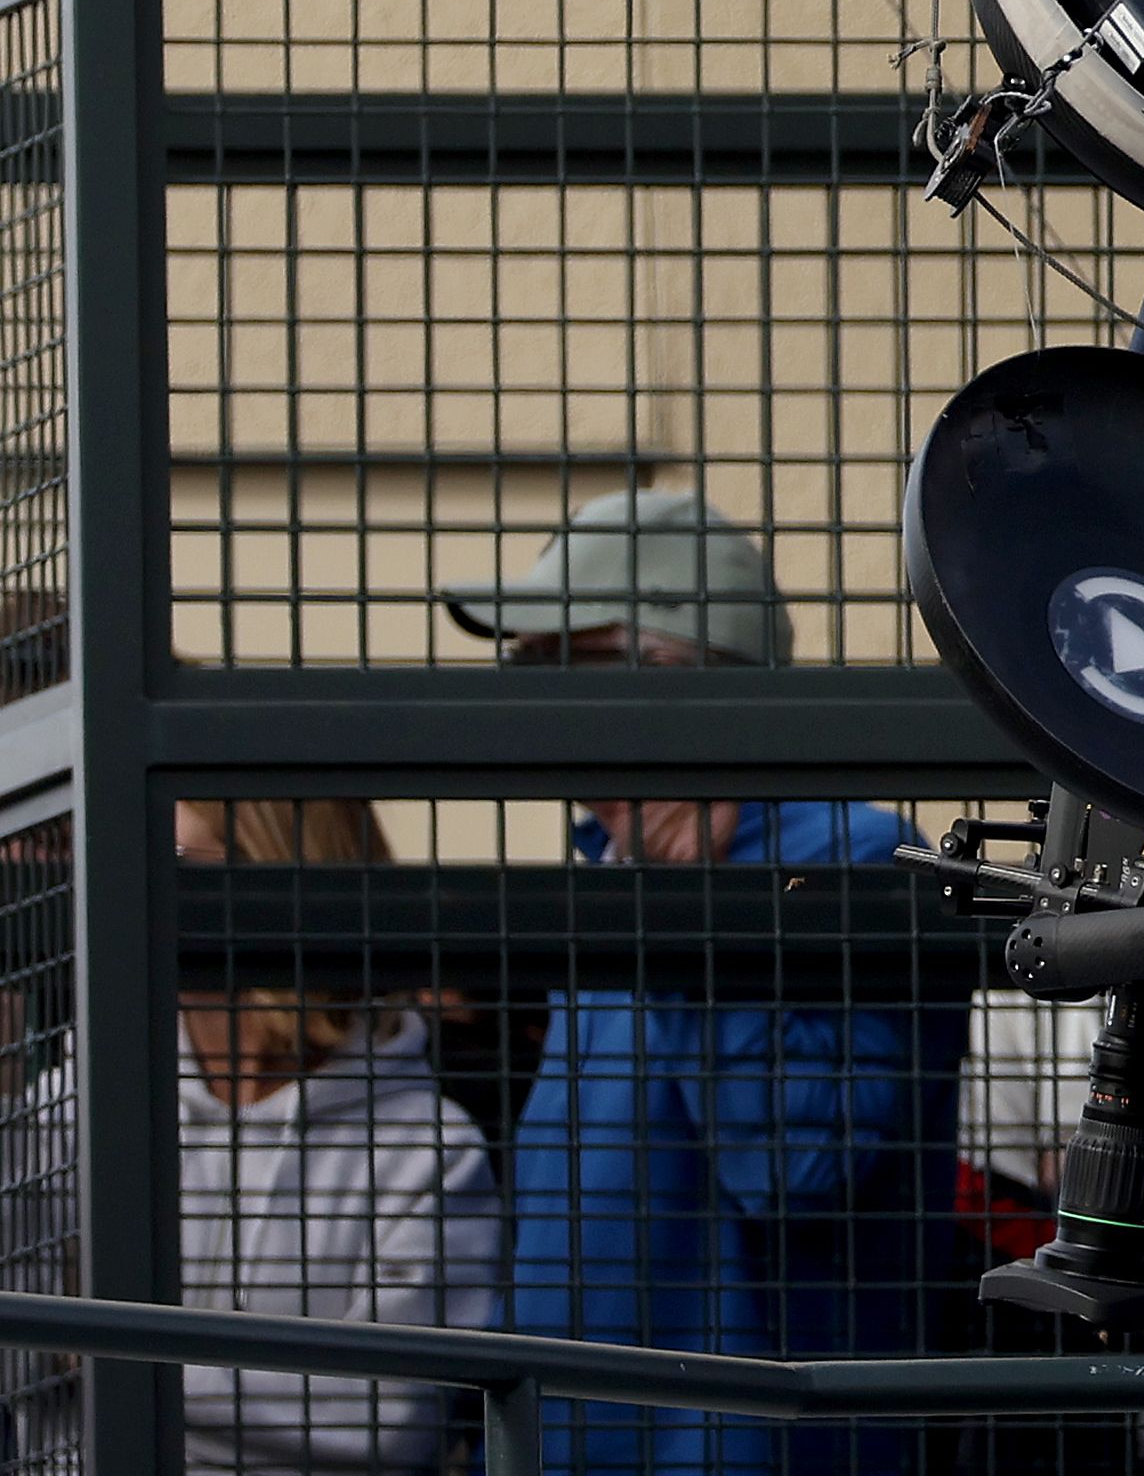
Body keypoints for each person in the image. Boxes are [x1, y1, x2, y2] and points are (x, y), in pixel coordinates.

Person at [442, 488, 961, 1476]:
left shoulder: (845, 848)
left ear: (669, 673)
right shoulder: (607, 855)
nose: (527, 695)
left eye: (559, 663)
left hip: (751, 1443)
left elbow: (797, 1168)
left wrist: (693, 899)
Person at [4, 799, 503, 1475]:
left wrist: (95, 1352)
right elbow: (16, 1360)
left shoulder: (427, 1148)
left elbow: (385, 1421)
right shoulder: (73, 1112)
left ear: (270, 877)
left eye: (171, 860)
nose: (118, 881)